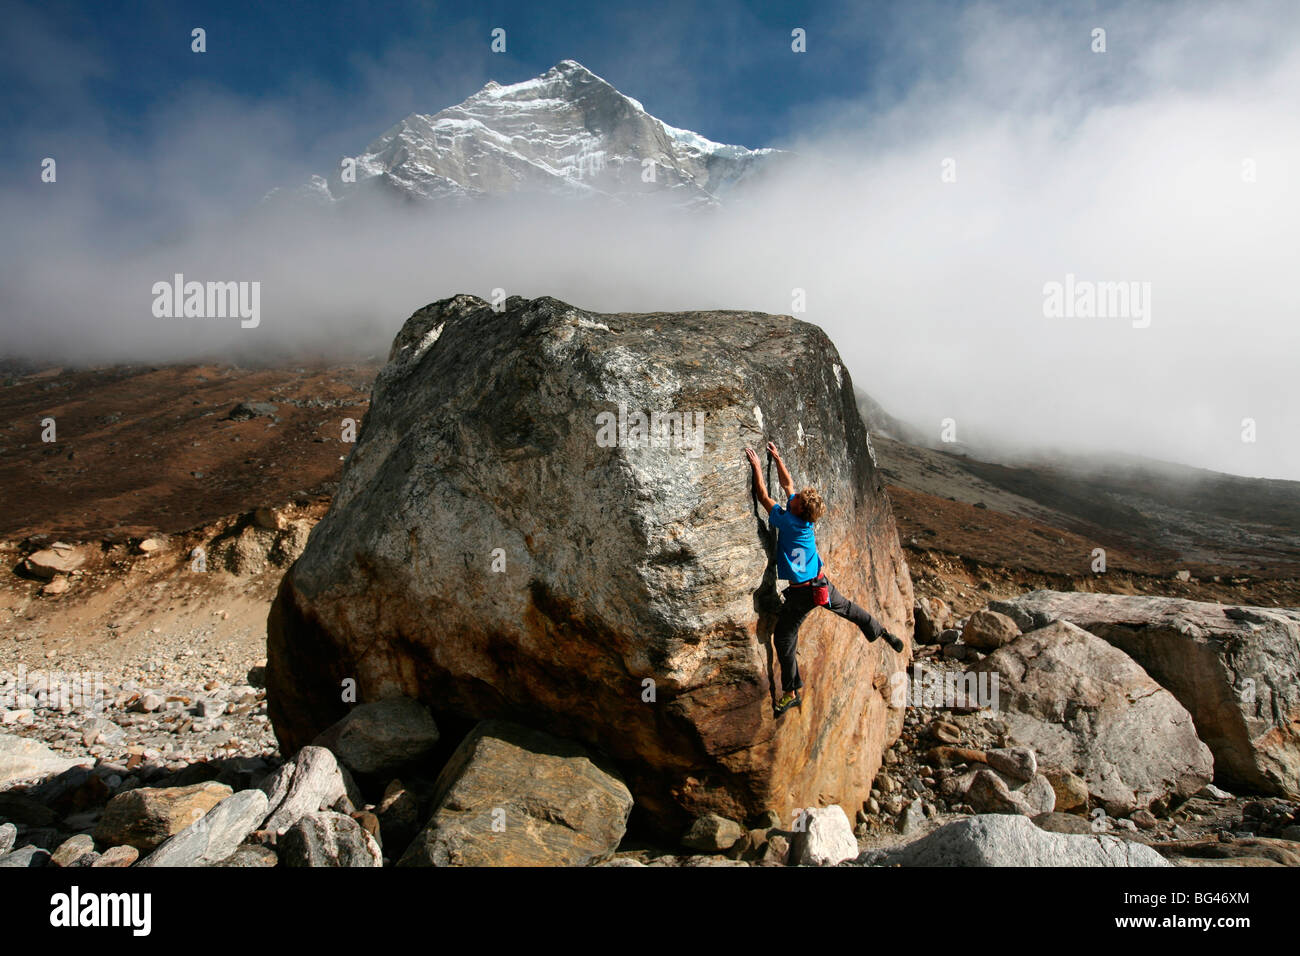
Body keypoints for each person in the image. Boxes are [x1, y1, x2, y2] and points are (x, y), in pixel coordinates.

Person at [745, 441, 905, 718]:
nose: (791, 497)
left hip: (803, 594)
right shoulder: (803, 520)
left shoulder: (789, 523)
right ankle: (880, 632)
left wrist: (758, 466)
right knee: (849, 609)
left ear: (797, 511)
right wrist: (778, 459)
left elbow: (762, 494)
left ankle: (790, 693)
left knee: (784, 638)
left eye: (794, 501)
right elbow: (788, 485)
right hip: (821, 583)